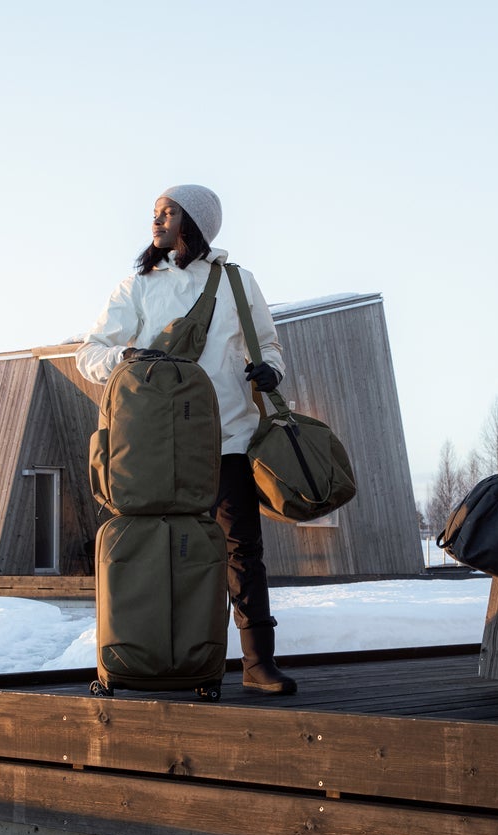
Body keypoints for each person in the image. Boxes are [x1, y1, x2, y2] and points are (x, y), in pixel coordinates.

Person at [75, 184, 300, 695]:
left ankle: (258, 663)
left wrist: (270, 370)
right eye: (155, 212)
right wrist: (123, 359)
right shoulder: (138, 286)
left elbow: (266, 344)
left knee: (242, 551)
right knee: (155, 549)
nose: (157, 220)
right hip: (153, 446)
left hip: (226, 437)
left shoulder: (237, 282)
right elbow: (89, 353)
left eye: (168, 212)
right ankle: (150, 659)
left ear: (194, 222)